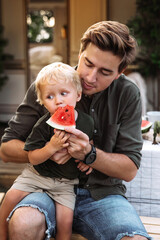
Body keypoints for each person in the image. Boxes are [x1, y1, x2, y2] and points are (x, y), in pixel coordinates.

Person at [0, 21, 152, 240]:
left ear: (120, 72)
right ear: (80, 53)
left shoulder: (127, 94)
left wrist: (89, 154)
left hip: (101, 195)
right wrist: (46, 152)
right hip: (45, 187)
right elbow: (6, 149)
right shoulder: (49, 84)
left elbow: (129, 170)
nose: (90, 77)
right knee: (24, 223)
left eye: (105, 72)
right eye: (87, 63)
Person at [0, 62, 94, 240]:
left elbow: (89, 142)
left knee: (65, 227)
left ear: (78, 94)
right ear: (42, 102)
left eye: (63, 94)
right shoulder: (43, 125)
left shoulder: (87, 122)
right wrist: (51, 148)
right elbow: (33, 158)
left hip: (65, 183)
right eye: (50, 97)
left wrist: (87, 158)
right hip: (36, 176)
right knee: (9, 199)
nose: (58, 101)